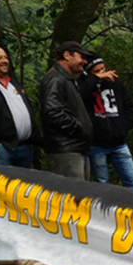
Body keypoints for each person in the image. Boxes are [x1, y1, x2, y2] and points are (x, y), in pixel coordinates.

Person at [79, 54, 133, 188]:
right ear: (88, 73)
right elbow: (77, 97)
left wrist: (124, 127)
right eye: (96, 71)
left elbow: (129, 106)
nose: (102, 73)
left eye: (103, 69)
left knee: (131, 181)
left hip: (119, 143)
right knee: (103, 185)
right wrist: (94, 80)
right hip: (97, 145)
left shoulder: (115, 83)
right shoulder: (83, 85)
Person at [39, 41, 94, 179]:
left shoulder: (66, 78)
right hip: (66, 149)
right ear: (67, 55)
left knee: (82, 194)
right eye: (81, 57)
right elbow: (52, 111)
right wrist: (79, 128)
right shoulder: (55, 78)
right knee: (72, 196)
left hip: (76, 148)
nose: (84, 61)